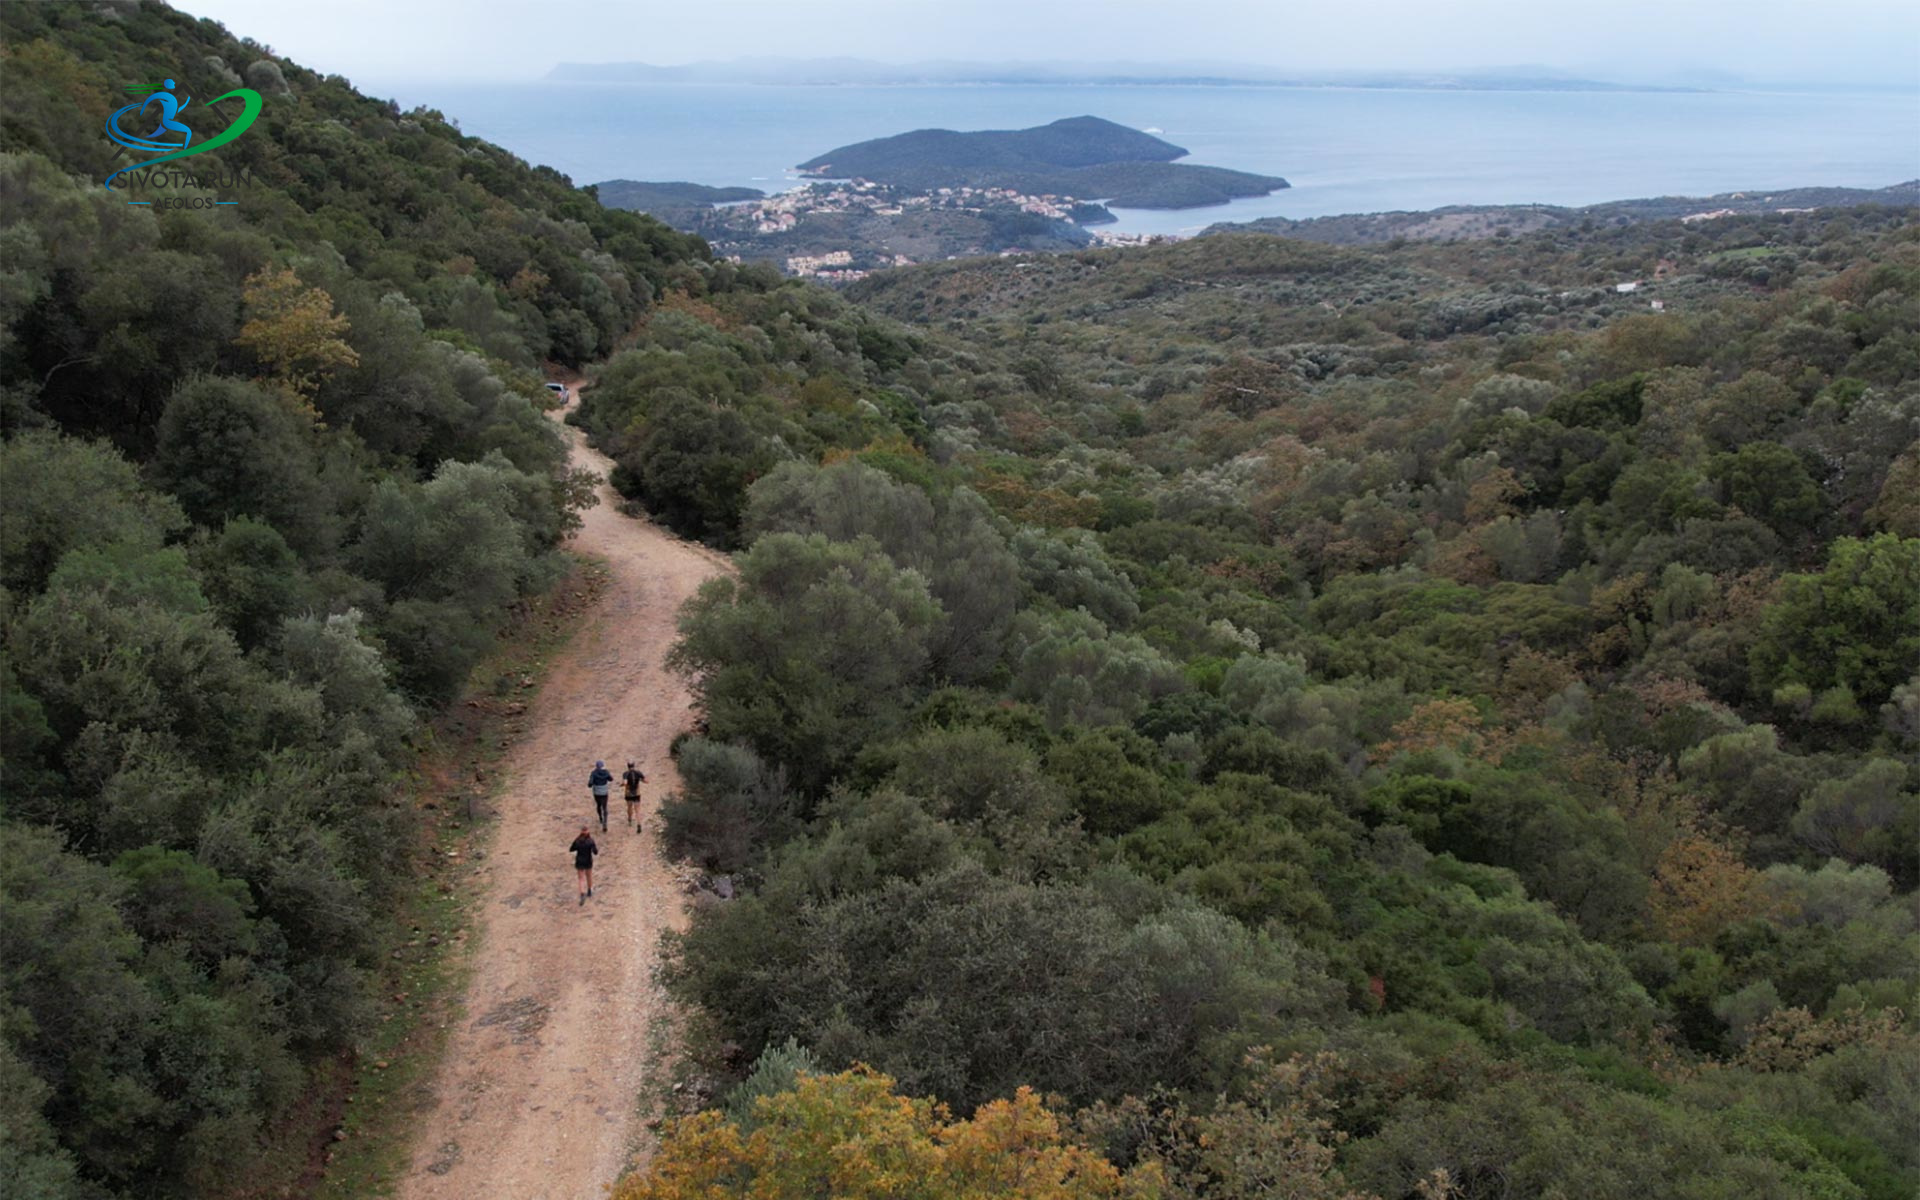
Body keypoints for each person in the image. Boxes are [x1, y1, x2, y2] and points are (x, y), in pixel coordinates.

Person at [569, 825, 598, 905]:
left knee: (581, 878)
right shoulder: (590, 841)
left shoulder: (577, 840)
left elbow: (571, 849)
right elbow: (595, 852)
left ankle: (582, 893)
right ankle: (589, 890)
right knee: (589, 876)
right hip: (588, 860)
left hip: (579, 860)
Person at [588, 760, 614, 831]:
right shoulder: (606, 772)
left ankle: (600, 818)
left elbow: (590, 784)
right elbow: (611, 779)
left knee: (598, 805)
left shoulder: (593, 773)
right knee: (605, 807)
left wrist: (592, 783)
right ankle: (605, 822)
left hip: (597, 792)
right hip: (604, 792)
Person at [622, 760, 647, 832]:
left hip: (628, 793)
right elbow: (646, 781)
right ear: (634, 765)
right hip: (636, 793)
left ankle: (629, 819)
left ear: (628, 766)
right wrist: (640, 780)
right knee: (637, 810)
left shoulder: (625, 773)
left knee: (629, 807)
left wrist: (621, 785)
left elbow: (625, 783)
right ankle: (639, 824)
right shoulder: (638, 773)